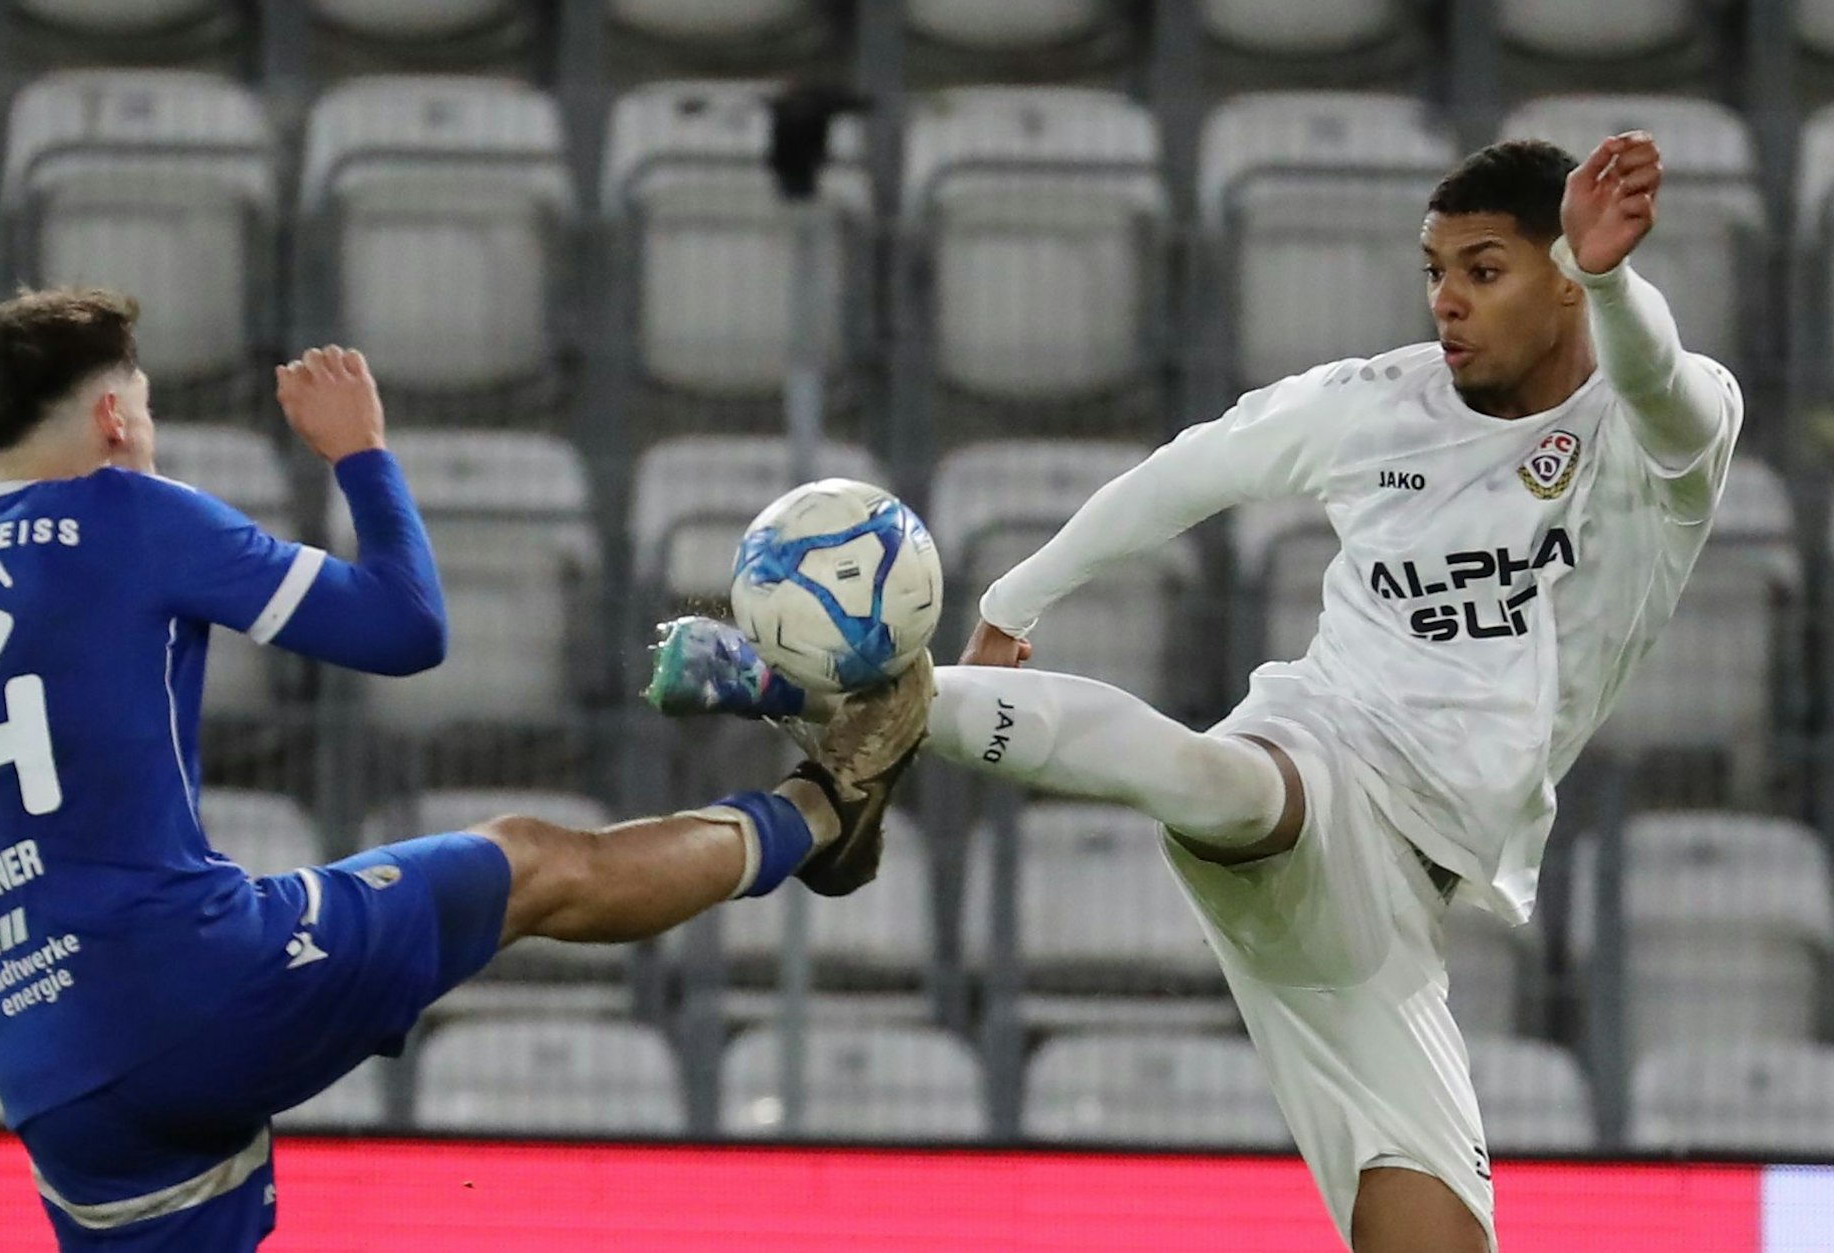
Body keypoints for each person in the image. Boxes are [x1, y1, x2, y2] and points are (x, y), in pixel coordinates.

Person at [645, 132, 1742, 1252]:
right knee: (1217, 778)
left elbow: (1659, 389)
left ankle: (863, 697)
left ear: (1564, 277)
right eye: (1433, 270)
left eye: (1481, 269)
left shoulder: (1660, 426)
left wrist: (1614, 281)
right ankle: (842, 690)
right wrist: (1016, 601)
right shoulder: (1376, 405)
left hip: (1400, 906)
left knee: (1440, 1228)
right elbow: (1190, 469)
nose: (1444, 302)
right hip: (1322, 753)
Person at [0, 288, 933, 1251]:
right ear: (114, 417)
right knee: (535, 859)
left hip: (45, 1070)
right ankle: (819, 809)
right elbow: (404, 625)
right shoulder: (131, 512)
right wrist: (360, 454)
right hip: (189, 978)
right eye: (150, 406)